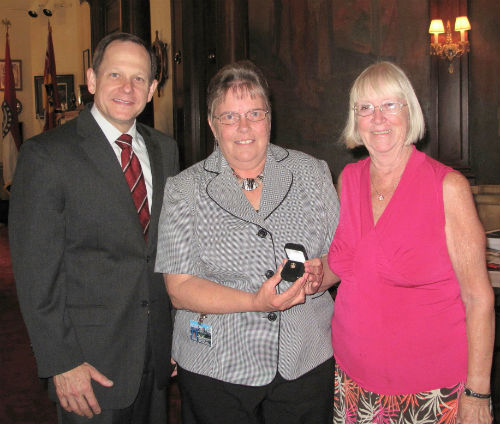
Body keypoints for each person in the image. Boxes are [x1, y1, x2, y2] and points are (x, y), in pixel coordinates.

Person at [155, 60, 340, 424]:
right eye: (229, 116)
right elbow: (180, 288)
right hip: (217, 368)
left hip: (303, 361)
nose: (243, 127)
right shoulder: (184, 188)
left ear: (270, 119)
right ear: (212, 125)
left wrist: (321, 276)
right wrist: (254, 302)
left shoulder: (312, 172)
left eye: (255, 113)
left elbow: (342, 257)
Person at [9, 32, 179, 424]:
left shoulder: (165, 150)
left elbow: (165, 252)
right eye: (114, 74)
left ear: (153, 89)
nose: (126, 87)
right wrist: (61, 362)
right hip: (89, 364)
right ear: (91, 79)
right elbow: (36, 275)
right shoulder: (47, 155)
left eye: (139, 78)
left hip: (154, 355)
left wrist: (171, 335)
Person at [325, 61, 494, 423]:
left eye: (390, 105)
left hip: (430, 391)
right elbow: (346, 264)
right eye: (366, 108)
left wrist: (478, 393)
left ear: (409, 111)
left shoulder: (447, 188)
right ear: (356, 119)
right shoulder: (349, 180)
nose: (378, 118)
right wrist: (309, 275)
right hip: (353, 382)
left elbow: (478, 298)